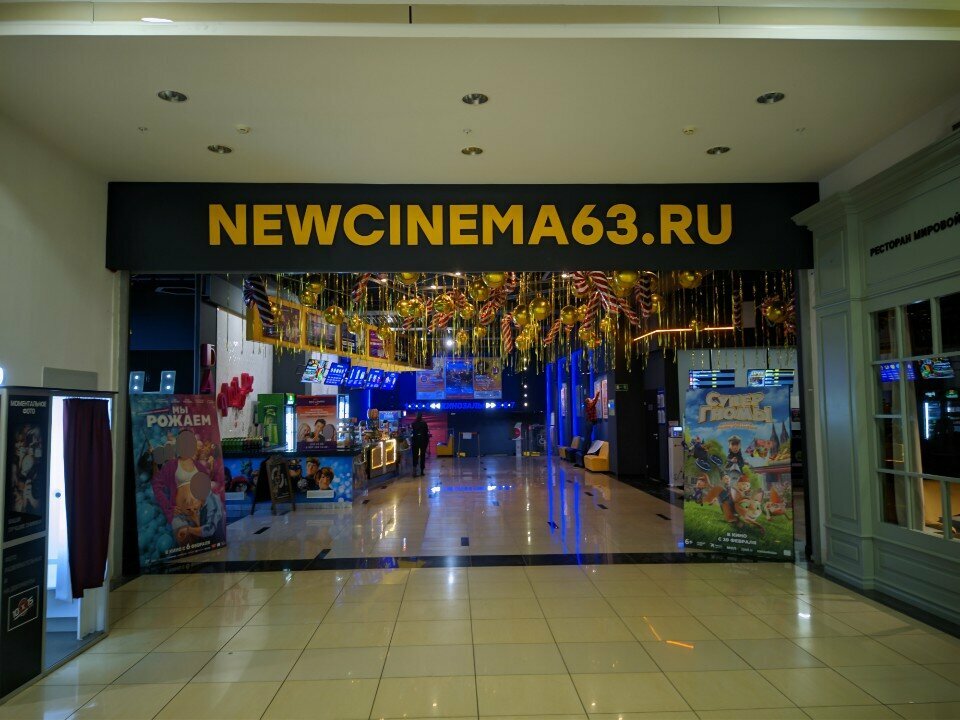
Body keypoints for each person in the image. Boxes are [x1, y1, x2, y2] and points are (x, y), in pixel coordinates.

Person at [411, 412, 429, 477]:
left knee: (415, 456)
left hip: (415, 441)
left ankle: (414, 471)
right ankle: (421, 471)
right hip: (423, 441)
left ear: (416, 416)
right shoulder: (424, 423)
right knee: (422, 456)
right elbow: (426, 432)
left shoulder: (413, 423)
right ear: (421, 416)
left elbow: (412, 432)